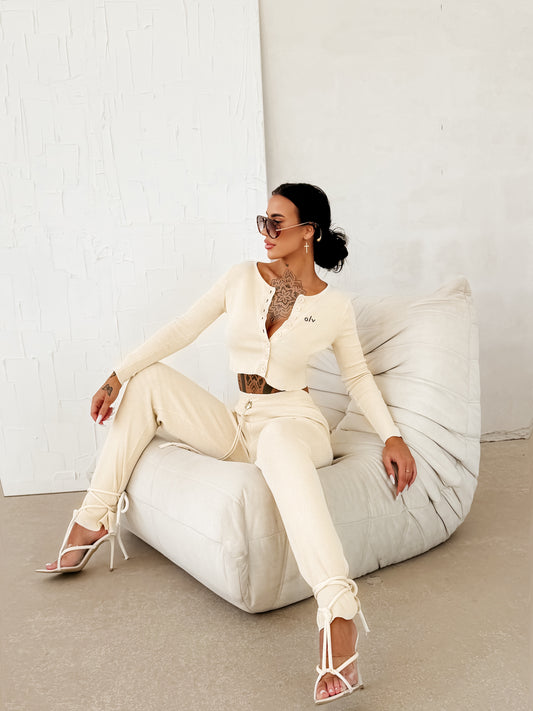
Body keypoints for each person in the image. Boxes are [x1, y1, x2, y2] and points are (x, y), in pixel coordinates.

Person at [37, 182, 417, 704]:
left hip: (296, 424)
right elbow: (182, 328)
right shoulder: (242, 278)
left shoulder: (334, 306)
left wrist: (392, 436)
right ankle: (94, 518)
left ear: (309, 232)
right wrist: (116, 375)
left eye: (276, 223)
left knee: (279, 440)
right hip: (242, 422)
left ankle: (338, 614)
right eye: (263, 221)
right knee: (149, 380)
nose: (265, 232)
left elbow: (357, 377)